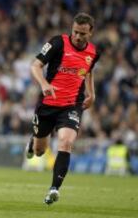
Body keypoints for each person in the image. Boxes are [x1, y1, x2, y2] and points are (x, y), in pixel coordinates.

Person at [25, 12, 100, 205]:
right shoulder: (58, 43)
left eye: (82, 34)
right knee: (40, 151)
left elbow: (89, 71)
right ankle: (33, 140)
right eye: (75, 32)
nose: (77, 36)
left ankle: (54, 189)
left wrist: (92, 94)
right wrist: (43, 84)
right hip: (48, 104)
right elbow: (35, 66)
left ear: (90, 33)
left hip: (72, 105)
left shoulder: (93, 52)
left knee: (66, 142)